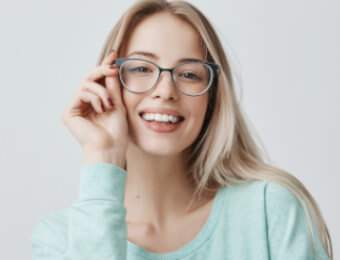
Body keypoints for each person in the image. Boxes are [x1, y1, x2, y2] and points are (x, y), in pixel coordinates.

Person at [31, 0, 333, 259]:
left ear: (213, 97)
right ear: (108, 81)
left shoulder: (271, 211)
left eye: (189, 74)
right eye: (141, 68)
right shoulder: (60, 240)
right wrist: (103, 154)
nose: (165, 90)